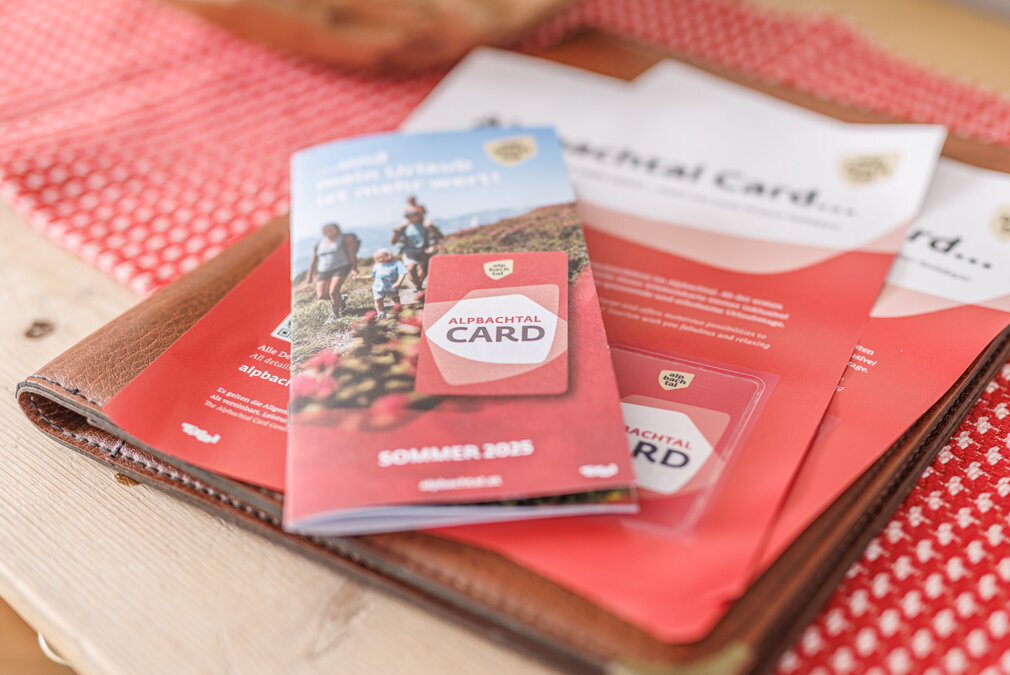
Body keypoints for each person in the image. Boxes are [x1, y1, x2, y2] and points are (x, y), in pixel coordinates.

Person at [306, 223, 358, 324]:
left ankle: (335, 313)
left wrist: (354, 268)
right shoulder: (318, 243)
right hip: (324, 270)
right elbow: (314, 260)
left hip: (341, 267)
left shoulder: (343, 239)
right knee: (321, 295)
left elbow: (352, 254)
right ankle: (341, 299)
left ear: (337, 229)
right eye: (327, 229)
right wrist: (309, 276)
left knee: (333, 291)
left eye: (332, 229)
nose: (329, 231)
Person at [391, 208, 443, 289]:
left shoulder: (426, 224)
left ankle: (418, 287)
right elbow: (393, 242)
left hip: (424, 250)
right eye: (408, 216)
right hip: (409, 251)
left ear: (419, 215)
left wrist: (431, 228)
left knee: (424, 270)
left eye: (413, 215)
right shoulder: (404, 227)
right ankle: (418, 287)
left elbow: (439, 236)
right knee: (410, 268)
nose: (410, 217)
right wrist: (396, 232)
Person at [355, 248, 407, 318]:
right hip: (378, 286)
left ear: (388, 255)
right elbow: (372, 275)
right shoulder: (377, 265)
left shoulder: (397, 263)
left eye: (381, 257)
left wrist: (398, 282)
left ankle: (399, 310)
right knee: (377, 299)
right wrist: (360, 277)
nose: (380, 259)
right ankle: (380, 314)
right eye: (378, 258)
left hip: (392, 286)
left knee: (395, 298)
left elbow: (402, 273)